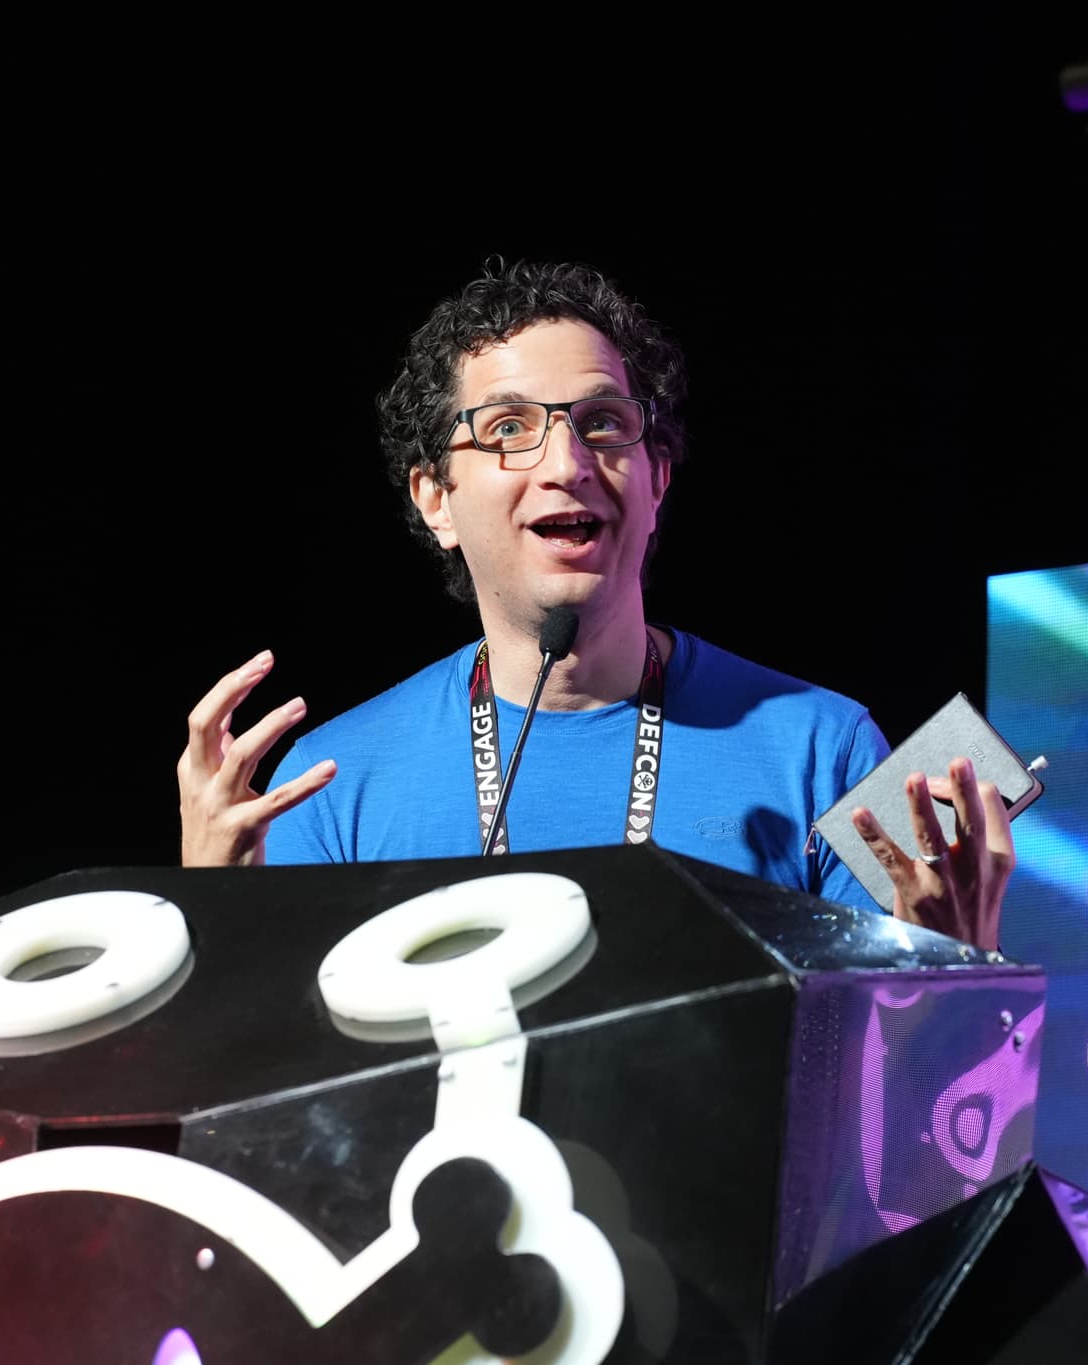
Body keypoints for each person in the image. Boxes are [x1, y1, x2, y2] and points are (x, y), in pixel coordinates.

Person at [175, 259, 1012, 951]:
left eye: (604, 422)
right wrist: (213, 935)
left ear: (660, 478)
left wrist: (950, 964)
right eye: (506, 428)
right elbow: (258, 1109)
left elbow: (908, 1115)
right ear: (436, 500)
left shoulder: (824, 752)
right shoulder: (332, 786)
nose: (567, 462)